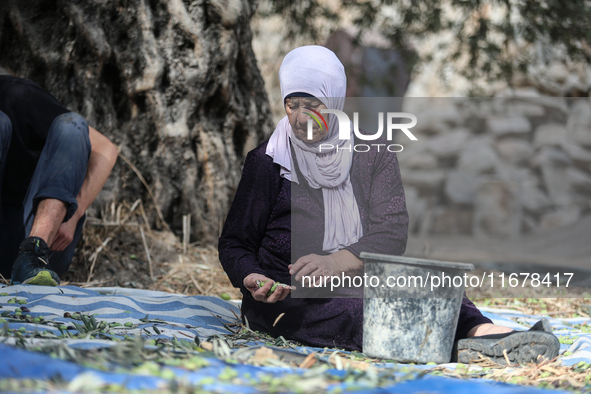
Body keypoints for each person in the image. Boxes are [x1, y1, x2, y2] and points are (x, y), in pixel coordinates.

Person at [218, 46, 559, 365]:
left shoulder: (372, 152)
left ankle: (484, 334)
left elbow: (391, 230)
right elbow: (235, 242)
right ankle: (467, 350)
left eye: (314, 104)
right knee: (368, 312)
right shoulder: (268, 161)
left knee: (436, 288)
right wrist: (252, 277)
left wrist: (338, 262)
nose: (302, 117)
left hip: (354, 277)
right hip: (288, 299)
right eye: (293, 104)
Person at [0, 75, 118, 286]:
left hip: (38, 236)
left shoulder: (17, 95)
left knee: (72, 127)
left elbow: (105, 150)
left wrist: (75, 211)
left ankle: (33, 257)